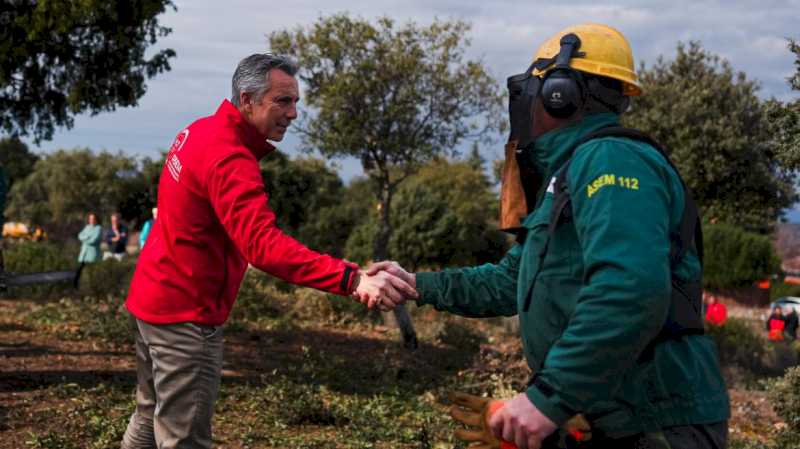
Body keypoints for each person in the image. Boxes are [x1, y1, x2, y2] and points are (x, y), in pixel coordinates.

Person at [371, 23, 729, 449]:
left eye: (533, 89)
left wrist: (547, 399)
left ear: (561, 94)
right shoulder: (571, 174)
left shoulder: (611, 158)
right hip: (607, 412)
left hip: (654, 418)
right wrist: (416, 284)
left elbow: (630, 286)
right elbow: (508, 281)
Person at [120, 53, 415, 449]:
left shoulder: (198, 131)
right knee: (183, 437)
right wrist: (352, 278)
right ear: (248, 100)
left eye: (295, 102)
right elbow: (264, 247)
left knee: (148, 415)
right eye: (282, 101)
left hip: (153, 301)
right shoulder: (229, 157)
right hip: (186, 316)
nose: (293, 113)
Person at [74, 212, 103, 288]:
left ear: (96, 220)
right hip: (83, 254)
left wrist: (84, 239)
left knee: (91, 272)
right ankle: (76, 287)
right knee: (79, 271)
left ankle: (93, 288)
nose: (91, 220)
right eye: (90, 219)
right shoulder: (87, 227)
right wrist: (87, 237)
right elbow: (80, 235)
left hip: (92, 255)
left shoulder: (98, 228)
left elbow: (93, 240)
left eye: (93, 219)